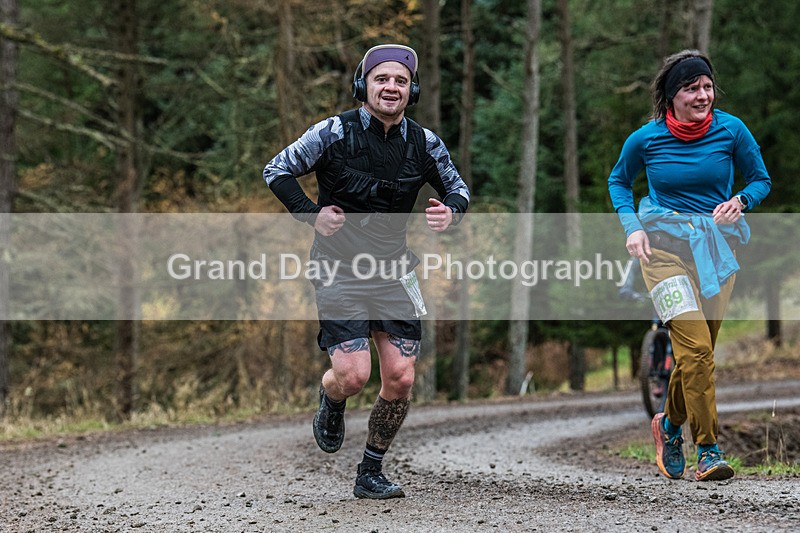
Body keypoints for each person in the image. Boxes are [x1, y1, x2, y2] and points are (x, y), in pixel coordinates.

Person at [262, 44, 470, 499]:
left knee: (401, 377)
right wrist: (309, 213)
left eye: (400, 81)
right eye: (381, 79)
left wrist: (450, 212)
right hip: (338, 268)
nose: (391, 87)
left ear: (410, 90)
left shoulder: (425, 143)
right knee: (354, 376)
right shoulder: (332, 131)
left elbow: (458, 189)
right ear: (364, 85)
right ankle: (332, 397)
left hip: (395, 272)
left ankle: (370, 471)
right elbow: (275, 170)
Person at [608, 49, 771, 482]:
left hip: (715, 254)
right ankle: (709, 450)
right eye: (691, 88)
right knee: (696, 350)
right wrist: (632, 228)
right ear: (670, 96)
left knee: (698, 356)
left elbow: (760, 179)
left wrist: (741, 200)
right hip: (661, 253)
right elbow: (619, 181)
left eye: (707, 86)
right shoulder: (646, 138)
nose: (703, 95)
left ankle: (668, 424)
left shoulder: (731, 130)